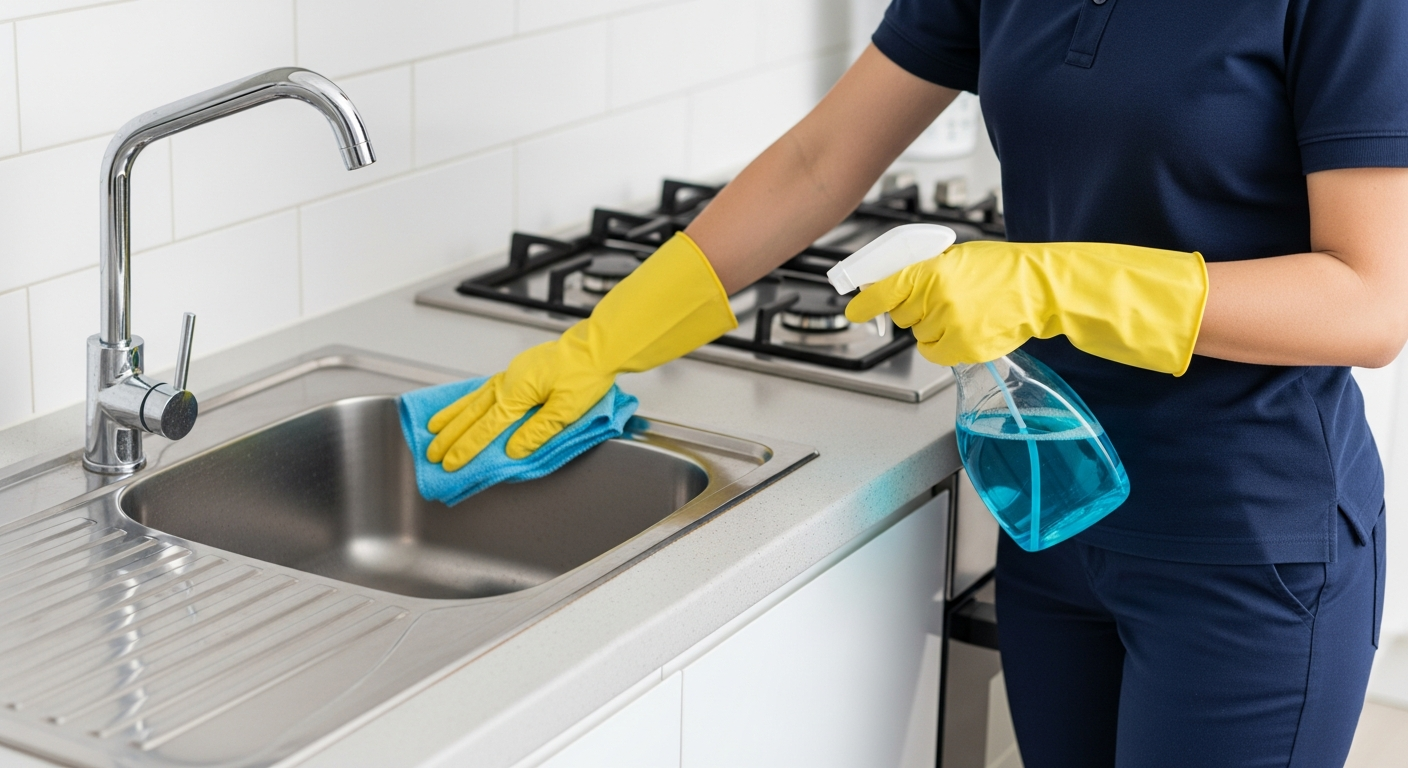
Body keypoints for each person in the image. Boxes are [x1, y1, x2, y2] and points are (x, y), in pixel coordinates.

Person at [425, 0, 1408, 764]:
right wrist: (603, 340)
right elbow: (819, 161)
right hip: (1051, 507)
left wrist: (1053, 281)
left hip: (1245, 546)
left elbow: (1371, 303)